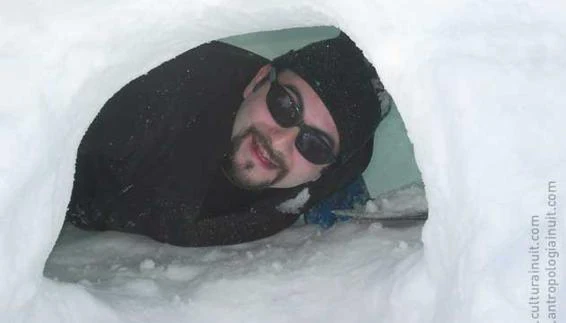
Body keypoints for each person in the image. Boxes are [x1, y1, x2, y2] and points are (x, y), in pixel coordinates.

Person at [66, 32, 388, 246]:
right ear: (258, 81)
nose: (278, 142)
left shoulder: (337, 168)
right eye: (285, 105)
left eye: (315, 144)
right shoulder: (146, 103)